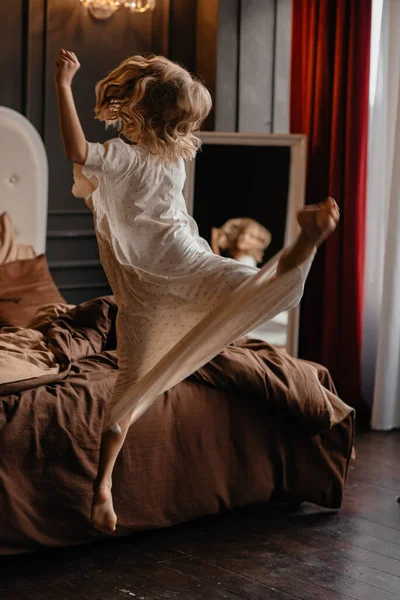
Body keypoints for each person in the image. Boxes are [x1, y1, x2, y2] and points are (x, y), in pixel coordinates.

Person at [55, 50, 340, 534]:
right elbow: (101, 165)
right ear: (169, 122)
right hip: (179, 268)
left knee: (130, 389)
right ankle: (306, 243)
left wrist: (64, 85)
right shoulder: (169, 157)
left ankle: (102, 486)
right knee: (262, 291)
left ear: (139, 110)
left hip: (160, 276)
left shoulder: (135, 156)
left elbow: (78, 151)